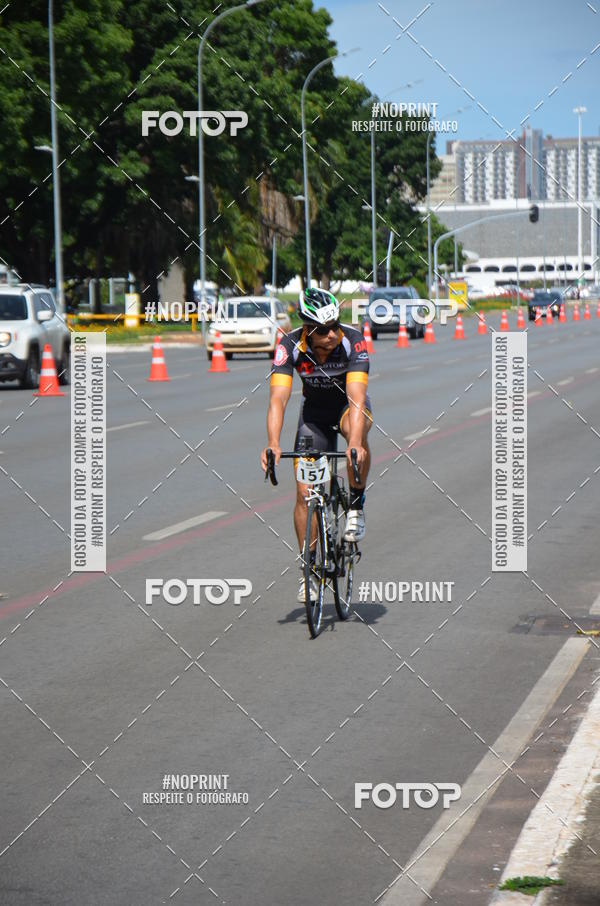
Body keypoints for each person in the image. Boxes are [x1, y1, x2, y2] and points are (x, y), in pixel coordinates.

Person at [260, 287, 372, 602]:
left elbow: (357, 396)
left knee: (356, 431)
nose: (332, 334)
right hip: (314, 416)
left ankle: (356, 505)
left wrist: (354, 443)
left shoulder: (353, 341)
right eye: (323, 330)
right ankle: (309, 571)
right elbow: (278, 399)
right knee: (304, 494)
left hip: (348, 408)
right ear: (307, 329)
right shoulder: (289, 345)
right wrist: (273, 443)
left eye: (335, 325)